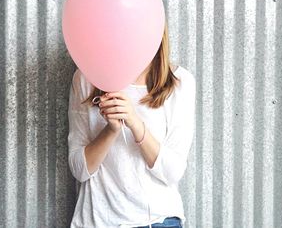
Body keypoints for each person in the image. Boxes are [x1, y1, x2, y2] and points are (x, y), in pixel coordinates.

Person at [67, 23, 196, 228]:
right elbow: (79, 169)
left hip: (157, 221)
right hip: (99, 221)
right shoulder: (86, 79)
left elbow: (173, 172)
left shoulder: (179, 82)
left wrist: (135, 123)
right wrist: (111, 130)